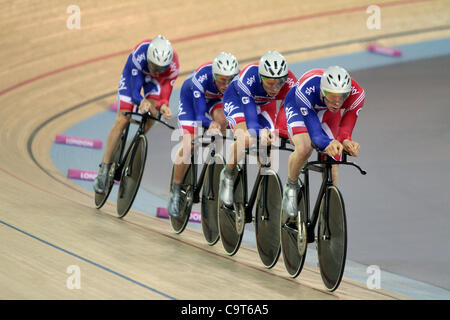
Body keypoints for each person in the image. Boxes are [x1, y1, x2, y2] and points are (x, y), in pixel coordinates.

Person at [93, 35, 179, 194]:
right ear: (149, 58)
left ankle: (136, 145)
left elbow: (165, 93)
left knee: (152, 114)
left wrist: (164, 106)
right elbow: (134, 92)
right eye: (154, 66)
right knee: (123, 118)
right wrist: (141, 101)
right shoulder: (139, 55)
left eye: (161, 68)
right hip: (134, 78)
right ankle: (104, 169)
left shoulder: (173, 65)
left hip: (155, 84)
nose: (157, 70)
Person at [276, 66, 365, 217]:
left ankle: (331, 213)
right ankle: (291, 186)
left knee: (334, 159)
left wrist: (346, 141)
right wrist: (328, 143)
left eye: (342, 96)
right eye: (331, 95)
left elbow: (345, 129)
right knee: (304, 148)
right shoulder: (307, 88)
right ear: (322, 91)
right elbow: (316, 135)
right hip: (300, 107)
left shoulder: (357, 95)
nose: (337, 102)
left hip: (327, 113)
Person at [219, 51, 297, 206]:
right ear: (261, 77)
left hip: (264, 105)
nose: (275, 88)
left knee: (269, 142)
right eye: (269, 82)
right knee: (247, 138)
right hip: (238, 101)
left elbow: (285, 114)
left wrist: (286, 134)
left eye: (279, 83)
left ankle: (264, 191)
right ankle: (228, 174)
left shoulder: (291, 82)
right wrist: (259, 132)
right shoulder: (248, 77)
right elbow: (252, 122)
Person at [167, 52, 239, 217]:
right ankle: (176, 191)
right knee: (189, 145)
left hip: (214, 101)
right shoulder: (201, 78)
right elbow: (200, 117)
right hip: (192, 101)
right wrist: (210, 124)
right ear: (214, 76)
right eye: (222, 80)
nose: (226, 84)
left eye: (230, 79)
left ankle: (215, 158)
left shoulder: (236, 82)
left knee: (223, 120)